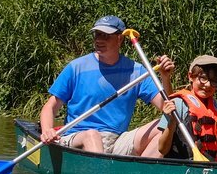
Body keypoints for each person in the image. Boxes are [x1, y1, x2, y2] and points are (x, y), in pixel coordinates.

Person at [39, 15, 174, 154]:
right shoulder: (76, 67)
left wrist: (165, 77)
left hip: (116, 140)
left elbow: (167, 106)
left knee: (165, 125)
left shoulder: (137, 71)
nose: (99, 40)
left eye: (106, 36)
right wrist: (47, 130)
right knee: (92, 135)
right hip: (78, 137)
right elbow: (50, 106)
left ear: (120, 39)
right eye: (97, 34)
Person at [146, 55, 217, 161]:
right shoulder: (178, 104)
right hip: (182, 168)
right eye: (203, 78)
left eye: (214, 81)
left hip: (209, 171)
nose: (208, 84)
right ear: (190, 76)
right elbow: (162, 149)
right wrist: (171, 122)